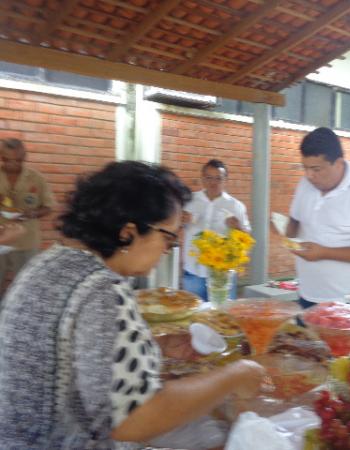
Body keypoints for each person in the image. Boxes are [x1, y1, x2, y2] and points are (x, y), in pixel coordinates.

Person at [0, 161, 266, 449]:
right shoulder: (102, 288)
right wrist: (236, 374)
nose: (168, 250)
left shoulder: (50, 262)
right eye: (168, 238)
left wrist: (153, 346)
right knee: (224, 432)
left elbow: (74, 351)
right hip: (57, 441)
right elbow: (132, 419)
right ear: (128, 232)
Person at [286, 127, 350, 307]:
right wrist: (286, 237)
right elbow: (295, 220)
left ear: (339, 163)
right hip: (307, 295)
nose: (309, 175)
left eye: (316, 169)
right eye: (305, 168)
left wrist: (324, 253)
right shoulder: (306, 184)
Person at [183, 159, 251, 301]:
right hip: (193, 271)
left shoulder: (235, 206)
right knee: (193, 316)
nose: (213, 182)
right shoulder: (190, 201)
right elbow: (173, 225)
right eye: (208, 178)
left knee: (222, 316)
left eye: (218, 178)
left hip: (222, 275)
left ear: (225, 180)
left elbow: (247, 238)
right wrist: (181, 220)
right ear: (202, 178)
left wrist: (237, 227)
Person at [0, 138, 54, 286]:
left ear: (24, 157)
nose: (11, 165)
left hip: (27, 243)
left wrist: (33, 214)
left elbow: (48, 206)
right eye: (6, 160)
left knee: (25, 286)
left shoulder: (37, 179)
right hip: (1, 240)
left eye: (17, 160)